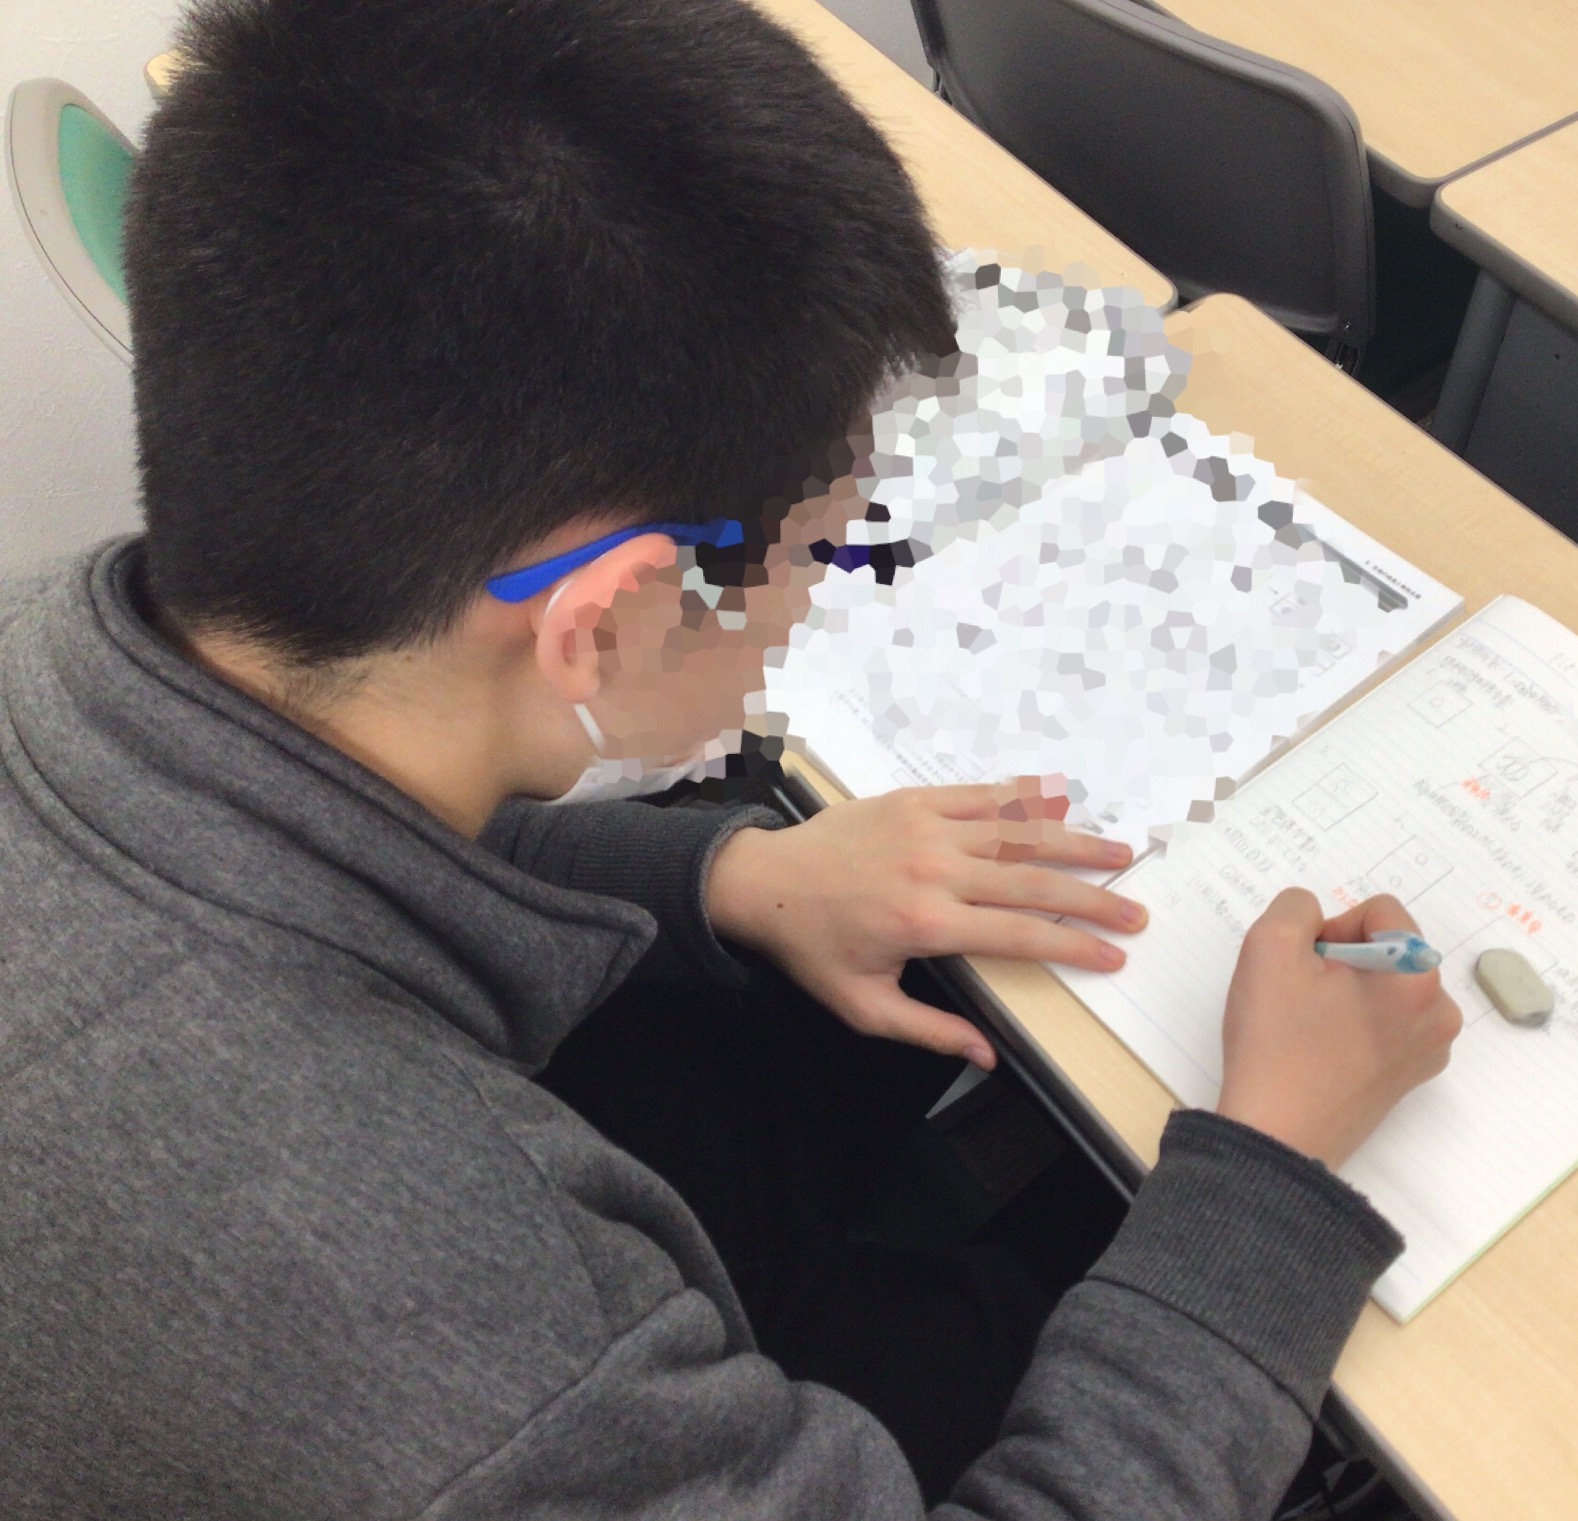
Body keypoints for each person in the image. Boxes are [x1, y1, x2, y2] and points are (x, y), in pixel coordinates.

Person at [0, 0, 1463, 1515]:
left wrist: (731, 875)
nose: (820, 592)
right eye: (828, 551)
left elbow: (360, 828)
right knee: (1067, 1329)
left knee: (803, 1055)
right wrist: (1270, 1167)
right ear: (609, 620)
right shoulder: (448, 1323)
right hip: (412, 1336)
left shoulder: (77, 632)